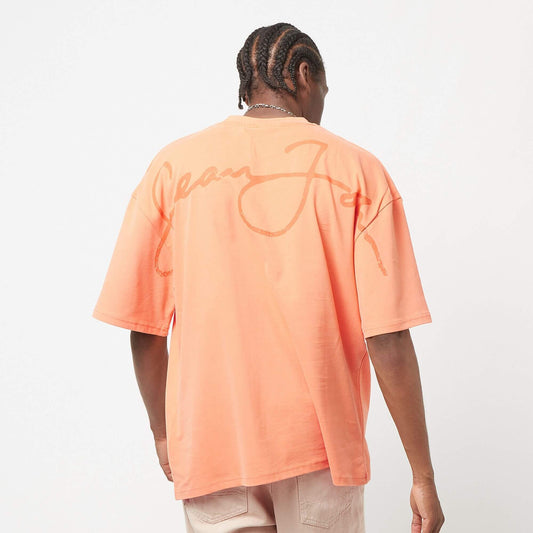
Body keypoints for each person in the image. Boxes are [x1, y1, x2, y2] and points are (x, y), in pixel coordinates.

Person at [92, 22, 444, 533]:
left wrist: (163, 434)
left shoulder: (171, 168)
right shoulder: (358, 171)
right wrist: (422, 475)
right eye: (324, 89)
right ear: (304, 75)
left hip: (212, 445)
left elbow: (144, 328)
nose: (322, 105)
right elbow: (387, 335)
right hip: (320, 447)